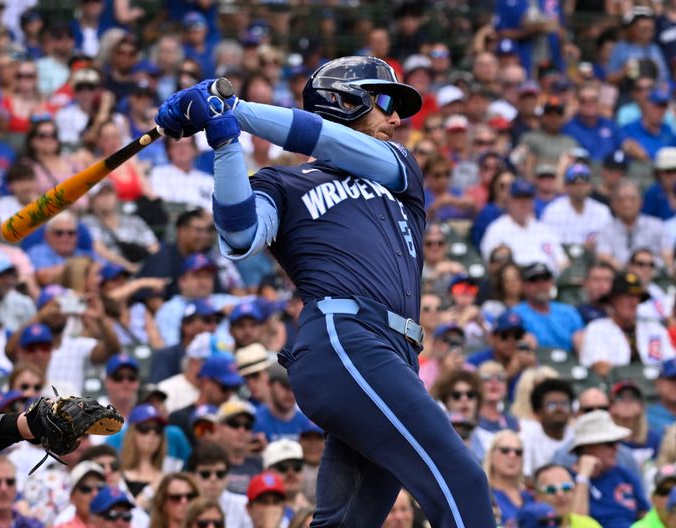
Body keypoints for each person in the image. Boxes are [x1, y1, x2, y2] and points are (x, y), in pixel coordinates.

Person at [155, 56, 494, 526]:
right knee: (463, 482)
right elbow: (239, 236)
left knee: (346, 522)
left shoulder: (398, 170)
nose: (397, 118)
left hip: (393, 353)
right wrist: (226, 139)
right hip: (345, 337)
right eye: (384, 102)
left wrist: (234, 106)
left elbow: (328, 139)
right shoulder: (282, 181)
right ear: (343, 99)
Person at [580, 272, 674, 376]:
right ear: (613, 299)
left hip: (657, 386)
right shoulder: (597, 328)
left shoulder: (654, 328)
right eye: (626, 296)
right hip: (617, 388)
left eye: (635, 296)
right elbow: (600, 368)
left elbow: (671, 362)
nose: (632, 302)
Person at [570, 410, 649, 528]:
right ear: (589, 446)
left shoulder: (624, 474)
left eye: (617, 442)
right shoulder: (568, 479)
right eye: (610, 443)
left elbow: (645, 514)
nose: (617, 448)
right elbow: (577, 523)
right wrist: (583, 477)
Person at [187, 441, 250, 528]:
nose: (213, 479)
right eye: (205, 474)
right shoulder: (180, 503)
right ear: (191, 476)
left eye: (220, 474)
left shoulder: (243, 505)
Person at [485, 430, 533, 526]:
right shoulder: (483, 494)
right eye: (505, 450)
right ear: (492, 455)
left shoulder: (530, 494)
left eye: (518, 452)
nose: (512, 455)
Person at [533, 464, 599, 527]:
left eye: (566, 487)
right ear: (538, 497)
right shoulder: (527, 524)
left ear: (574, 491)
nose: (560, 494)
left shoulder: (588, 525)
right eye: (551, 489)